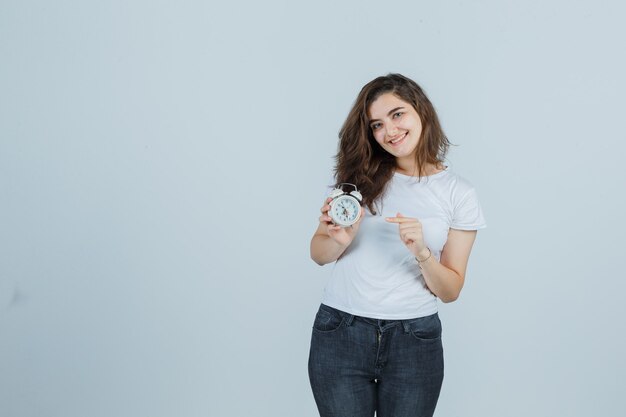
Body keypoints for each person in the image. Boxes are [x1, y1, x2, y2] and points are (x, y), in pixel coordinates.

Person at [308, 73, 486, 417]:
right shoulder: (357, 177)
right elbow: (317, 253)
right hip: (340, 333)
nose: (389, 131)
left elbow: (450, 291)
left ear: (421, 111)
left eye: (397, 114)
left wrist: (422, 253)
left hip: (413, 340)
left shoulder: (459, 194)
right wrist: (338, 240)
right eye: (376, 124)